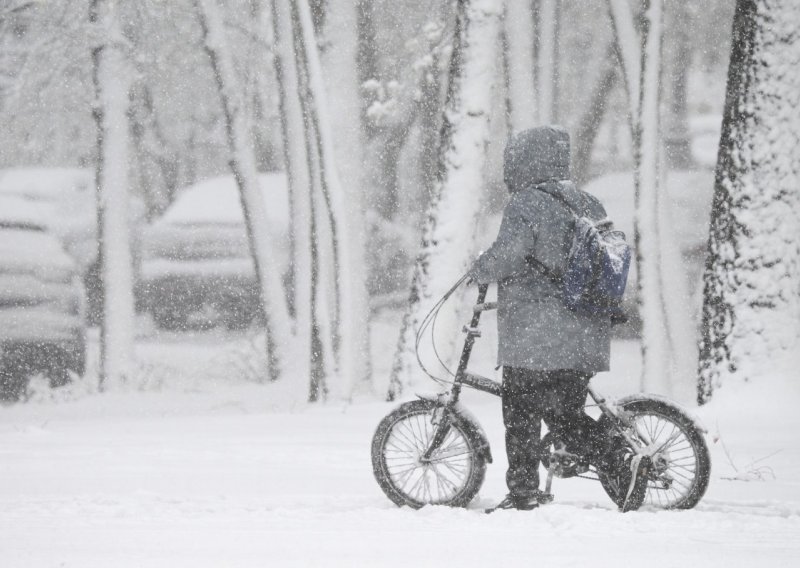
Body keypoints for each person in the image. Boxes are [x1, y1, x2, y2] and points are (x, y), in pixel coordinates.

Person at [467, 126, 646, 512]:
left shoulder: (526, 203)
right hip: (585, 331)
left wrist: (478, 269)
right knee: (565, 414)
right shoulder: (588, 202)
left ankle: (525, 491)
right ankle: (617, 456)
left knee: (520, 416)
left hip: (537, 336)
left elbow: (507, 256)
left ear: (523, 162)